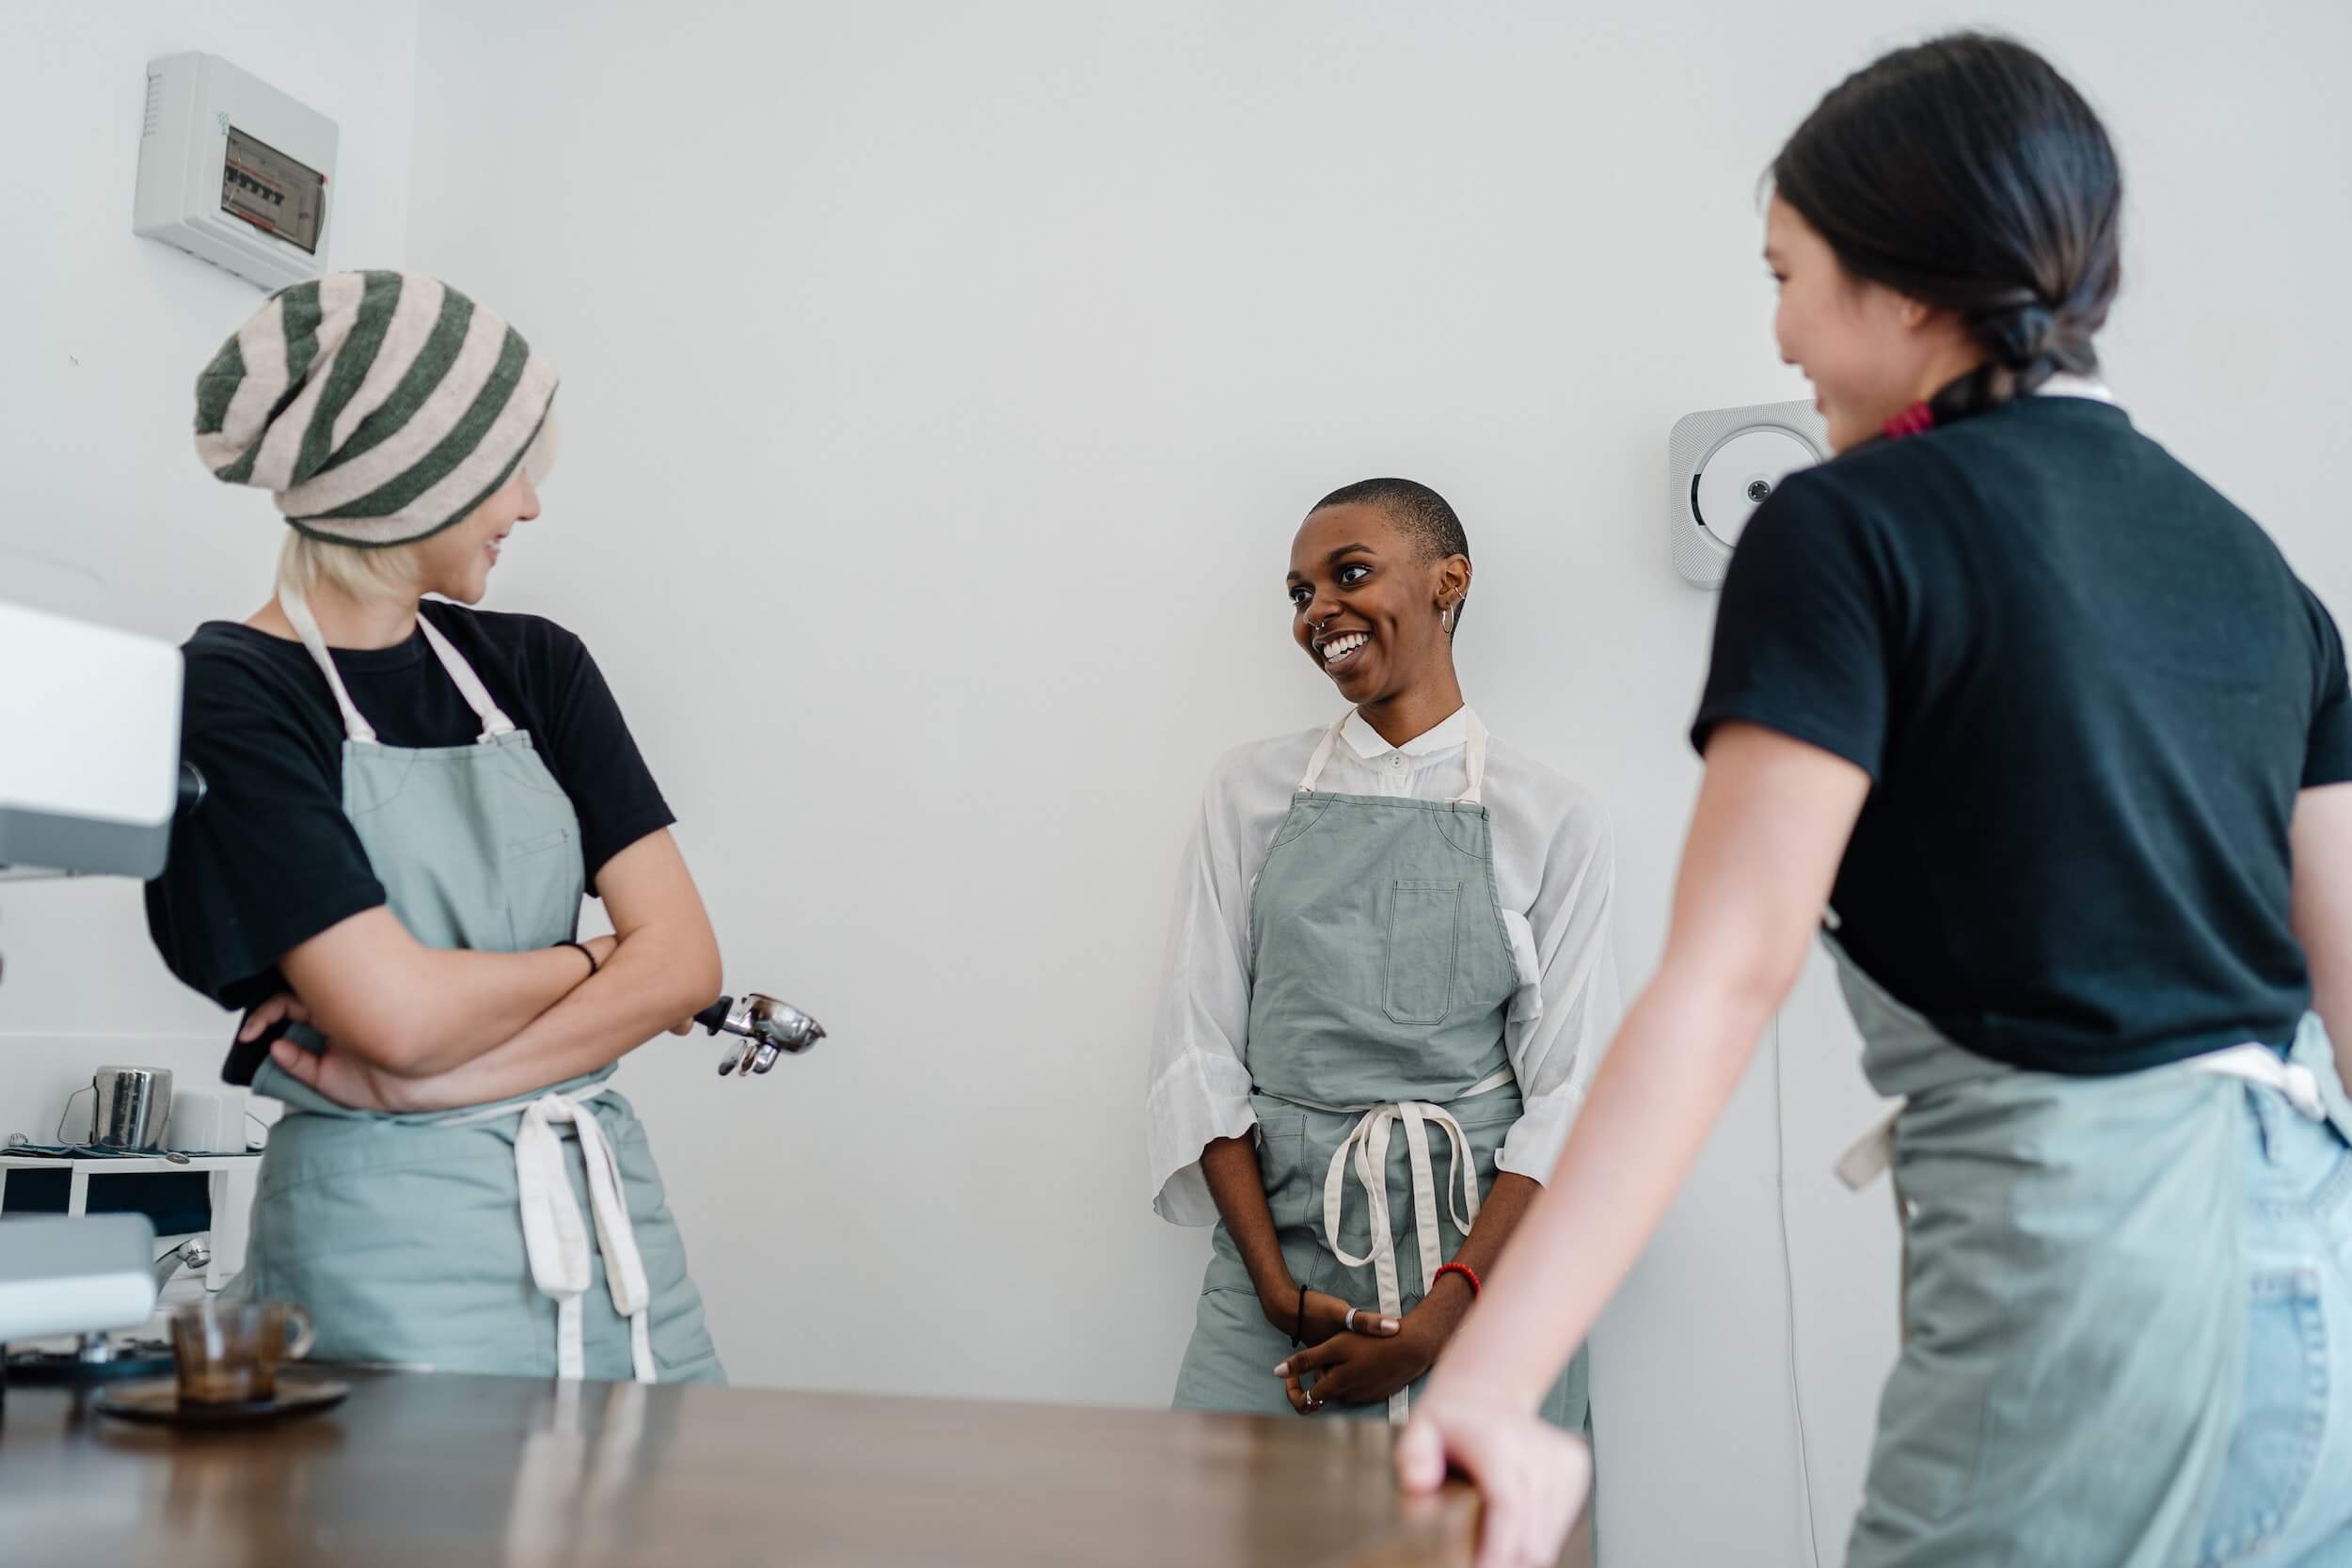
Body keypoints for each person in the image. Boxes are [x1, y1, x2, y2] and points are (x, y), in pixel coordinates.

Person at [1398, 34, 2352, 1568]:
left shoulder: (1845, 533)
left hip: (2084, 1287)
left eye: (1789, 275)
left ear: (1906, 292)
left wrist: (1492, 1382)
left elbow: (1725, 978)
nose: (1780, 336)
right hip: (2316, 1286)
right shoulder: (2255, 568)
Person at [146, 271, 726, 1383]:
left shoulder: (536, 665)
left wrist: (433, 1086)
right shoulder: (234, 691)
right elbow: (397, 1014)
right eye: (505, 474)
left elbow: (690, 963)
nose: (529, 505)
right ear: (407, 480)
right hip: (382, 1266)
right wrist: (597, 957)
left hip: (616, 1256)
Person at [1148, 477, 1619, 1426]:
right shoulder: (1248, 791)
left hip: (1485, 1273)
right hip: (1276, 1255)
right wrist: (1278, 1292)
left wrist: (1439, 1319)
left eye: (1348, 573)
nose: (1318, 611)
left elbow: (1571, 1092)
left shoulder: (1550, 813)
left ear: (1449, 580)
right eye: (1298, 593)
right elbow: (1198, 1053)